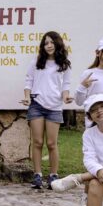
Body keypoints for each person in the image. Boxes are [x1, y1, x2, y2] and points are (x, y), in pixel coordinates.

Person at [20, 31, 72, 189]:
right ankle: (37, 175)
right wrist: (27, 97)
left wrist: (66, 97)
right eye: (46, 43)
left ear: (57, 44)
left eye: (52, 42)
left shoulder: (64, 64)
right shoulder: (37, 62)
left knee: (51, 143)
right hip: (37, 105)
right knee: (37, 142)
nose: (49, 45)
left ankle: (53, 176)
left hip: (55, 107)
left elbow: (66, 85)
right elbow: (28, 80)